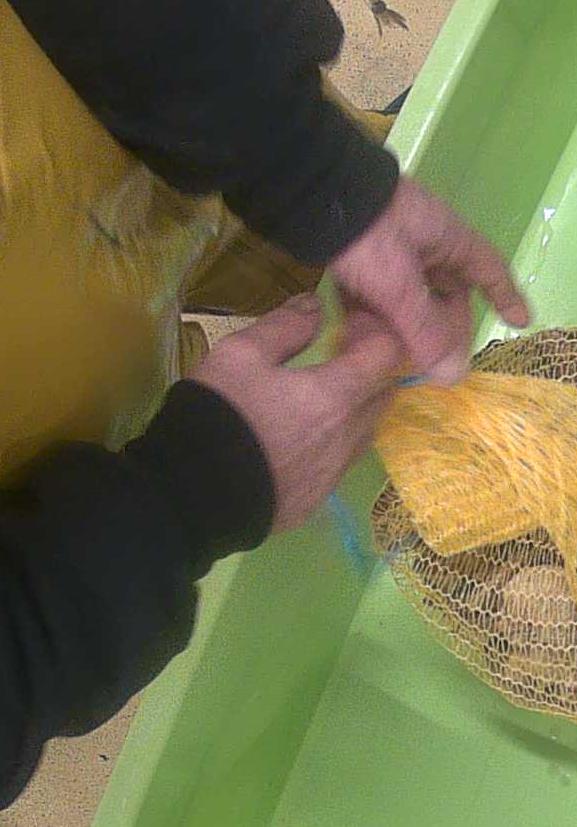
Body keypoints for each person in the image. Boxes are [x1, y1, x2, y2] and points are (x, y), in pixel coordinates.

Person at [0, 0, 530, 806]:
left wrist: (312, 165)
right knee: (121, 384)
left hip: (90, 96)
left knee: (306, 237)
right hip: (41, 425)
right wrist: (188, 493)